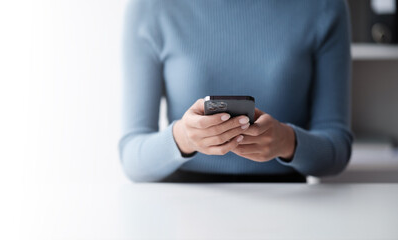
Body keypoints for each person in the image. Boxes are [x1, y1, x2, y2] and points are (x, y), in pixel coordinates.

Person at [119, 0, 353, 182]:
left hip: (286, 202)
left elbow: (337, 150)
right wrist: (184, 138)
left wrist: (286, 142)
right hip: (184, 207)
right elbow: (132, 156)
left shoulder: (324, 7)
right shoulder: (150, 7)